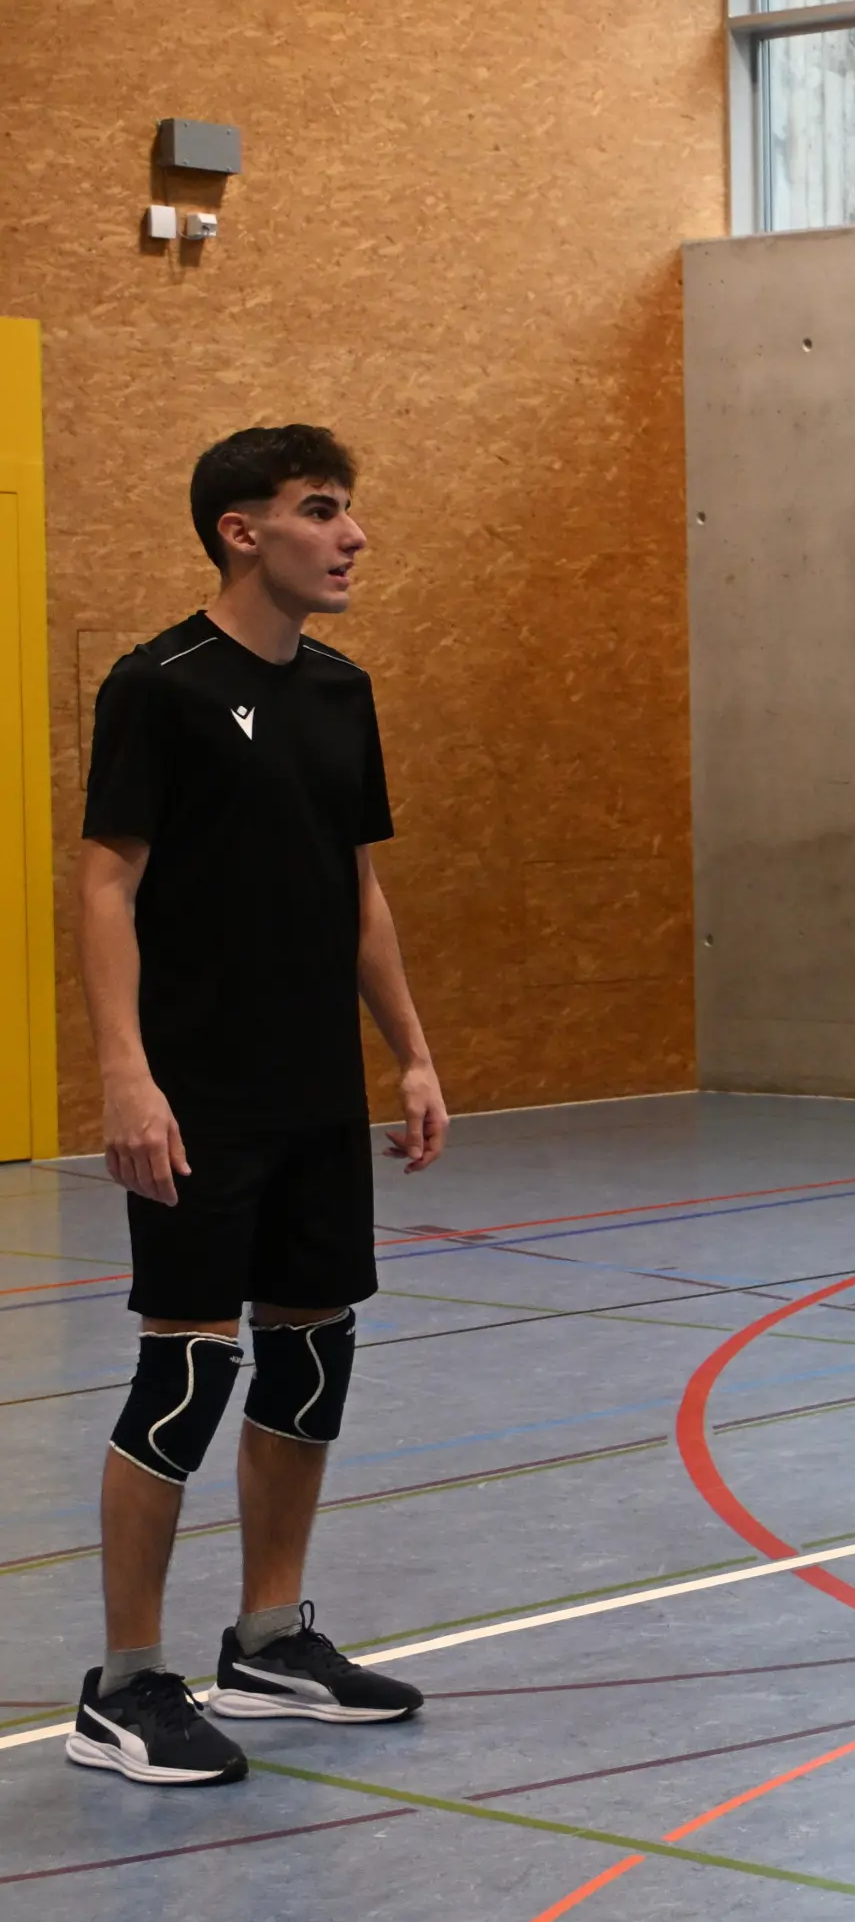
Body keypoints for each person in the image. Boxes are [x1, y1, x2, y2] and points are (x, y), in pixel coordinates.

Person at [66, 425, 447, 1788]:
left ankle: (272, 1637)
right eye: (321, 511)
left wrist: (407, 1049)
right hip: (197, 1094)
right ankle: (122, 1685)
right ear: (243, 531)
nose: (350, 537)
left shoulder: (341, 692)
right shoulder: (157, 686)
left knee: (310, 1354)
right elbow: (107, 880)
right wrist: (125, 1073)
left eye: (349, 511)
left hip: (311, 1093)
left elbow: (358, 890)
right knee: (184, 1374)